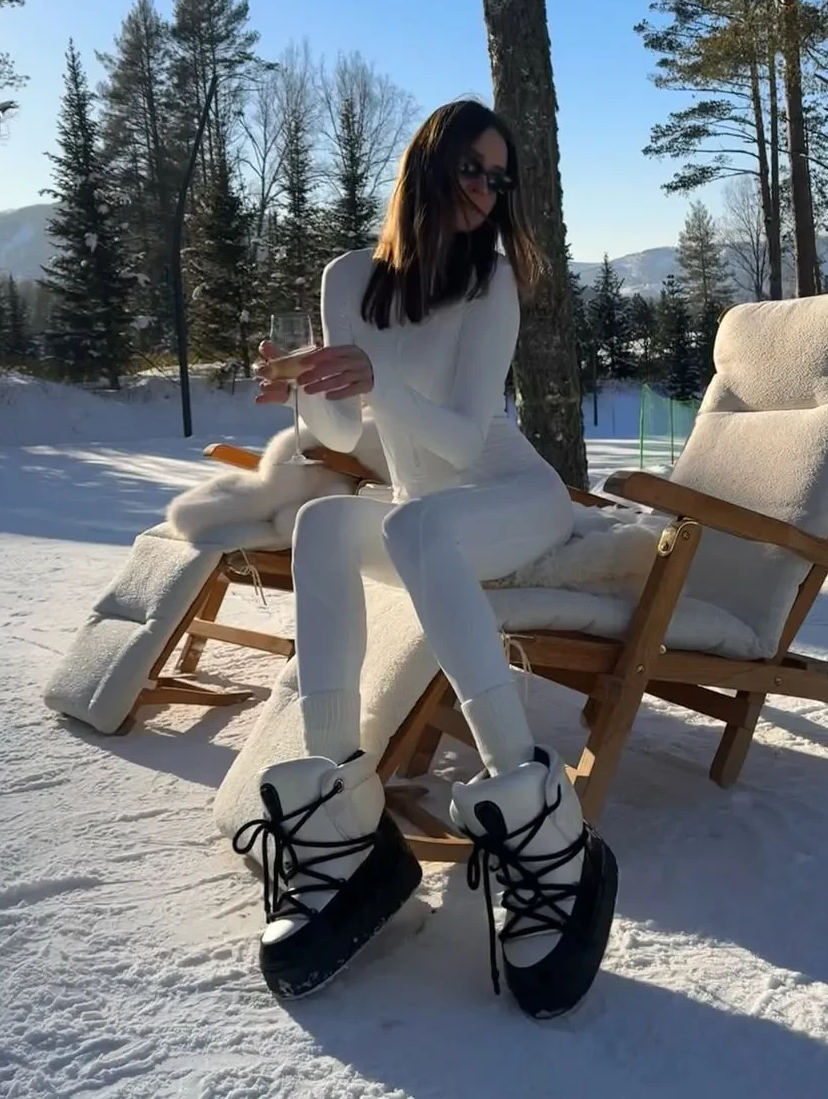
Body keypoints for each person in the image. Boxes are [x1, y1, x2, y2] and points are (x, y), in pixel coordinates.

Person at [235, 99, 618, 1020]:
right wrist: (307, 389)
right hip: (427, 514)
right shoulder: (348, 278)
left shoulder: (492, 281)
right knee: (325, 523)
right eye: (472, 170)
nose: (487, 192)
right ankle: (341, 824)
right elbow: (339, 432)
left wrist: (377, 382)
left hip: (512, 497)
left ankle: (543, 826)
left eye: (499, 177)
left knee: (415, 527)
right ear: (428, 169)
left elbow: (461, 440)